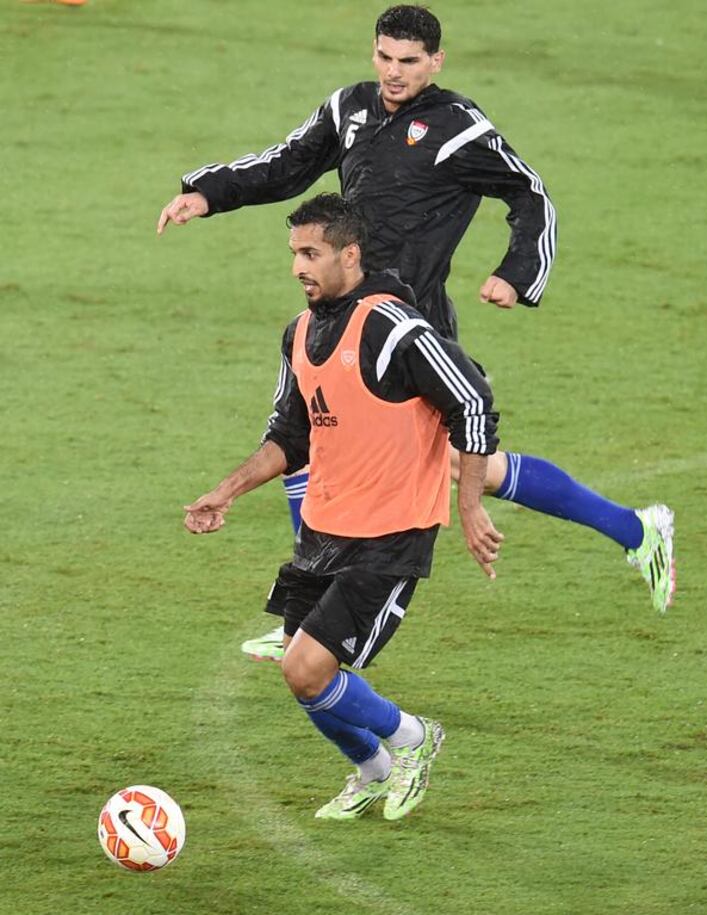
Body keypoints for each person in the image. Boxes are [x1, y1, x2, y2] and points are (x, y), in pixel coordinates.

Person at [160, 5, 675, 662]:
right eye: (384, 57)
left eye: (409, 61)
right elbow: (287, 164)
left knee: (454, 464)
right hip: (346, 314)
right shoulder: (349, 109)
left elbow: (530, 194)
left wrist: (516, 274)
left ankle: (637, 528)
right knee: (321, 440)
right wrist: (207, 193)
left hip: (409, 329)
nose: (394, 73)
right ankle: (306, 619)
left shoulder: (456, 128)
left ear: (435, 62)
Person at [184, 193, 502, 820]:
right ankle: (373, 769)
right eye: (294, 253)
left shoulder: (394, 328)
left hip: (391, 538)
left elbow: (471, 401)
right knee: (301, 673)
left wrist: (467, 508)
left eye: (312, 253)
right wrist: (226, 490)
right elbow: (289, 434)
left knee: (307, 667)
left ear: (350, 255)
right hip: (324, 534)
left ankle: (414, 739)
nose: (299, 266)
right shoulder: (300, 333)